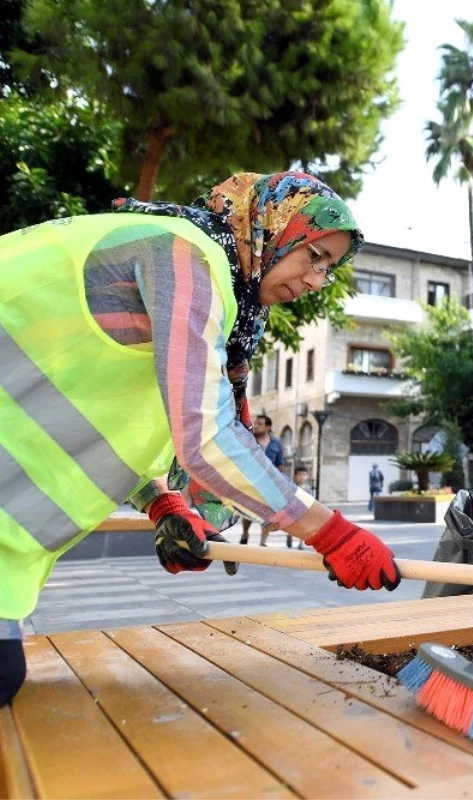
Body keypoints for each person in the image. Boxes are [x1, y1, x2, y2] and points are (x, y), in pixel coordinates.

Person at [0, 172, 401, 708]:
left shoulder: (204, 283)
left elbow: (108, 410)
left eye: (329, 269)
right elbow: (207, 434)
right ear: (273, 226)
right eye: (315, 255)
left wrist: (161, 503)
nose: (315, 280)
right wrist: (331, 533)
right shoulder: (184, 259)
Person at [239, 414, 285, 547]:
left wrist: (281, 483)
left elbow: (280, 463)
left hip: (270, 484)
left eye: (260, 423)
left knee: (268, 513)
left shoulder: (276, 443)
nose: (256, 425)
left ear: (268, 427)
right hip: (251, 481)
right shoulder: (248, 439)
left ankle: (263, 542)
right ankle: (245, 533)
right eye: (256, 423)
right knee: (249, 510)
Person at [288, 467, 312, 550]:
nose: (301, 477)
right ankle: (289, 536)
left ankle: (301, 543)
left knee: (302, 527)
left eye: (304, 475)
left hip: (303, 510)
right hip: (292, 510)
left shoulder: (308, 488)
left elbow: (311, 499)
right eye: (299, 475)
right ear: (295, 476)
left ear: (307, 476)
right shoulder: (292, 486)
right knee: (291, 526)